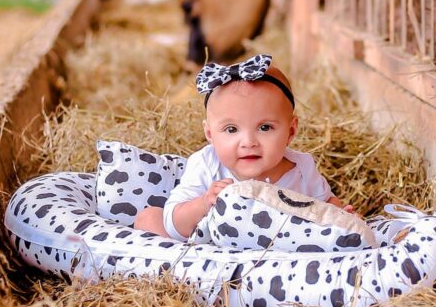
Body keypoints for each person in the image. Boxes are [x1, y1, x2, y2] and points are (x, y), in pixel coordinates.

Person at [134, 54, 352, 240]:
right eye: (231, 129)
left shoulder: (301, 169)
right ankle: (183, 268)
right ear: (209, 134)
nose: (248, 142)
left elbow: (326, 205)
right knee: (150, 218)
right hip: (213, 249)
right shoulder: (206, 165)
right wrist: (203, 203)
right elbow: (175, 224)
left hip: (276, 252)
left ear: (291, 131)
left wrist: (341, 214)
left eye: (265, 127)